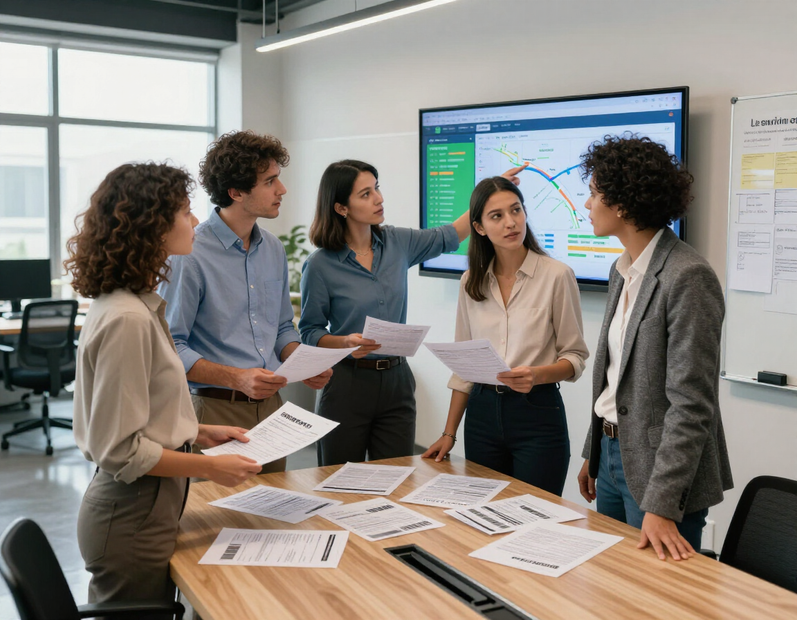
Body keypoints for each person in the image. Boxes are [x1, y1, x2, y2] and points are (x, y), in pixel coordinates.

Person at [66, 163, 262, 608]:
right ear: (151, 225)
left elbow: (139, 412)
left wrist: (197, 433)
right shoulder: (128, 319)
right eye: (186, 212)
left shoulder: (132, 305)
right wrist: (211, 467)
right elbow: (121, 450)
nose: (195, 222)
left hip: (148, 503)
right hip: (133, 511)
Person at [300, 160, 526, 466]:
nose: (379, 198)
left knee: (396, 477)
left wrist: (491, 190)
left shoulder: (396, 242)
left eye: (376, 188)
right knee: (338, 480)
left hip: (397, 382)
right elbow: (310, 331)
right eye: (365, 194)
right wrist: (345, 342)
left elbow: (451, 234)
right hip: (346, 385)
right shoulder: (320, 265)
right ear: (341, 208)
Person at [576, 135, 733, 561]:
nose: (587, 204)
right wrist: (594, 452)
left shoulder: (688, 276)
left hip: (660, 471)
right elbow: (615, 379)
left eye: (593, 193)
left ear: (623, 204)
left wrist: (663, 502)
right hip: (611, 456)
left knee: (655, 601)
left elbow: (692, 404)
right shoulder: (621, 268)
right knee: (612, 588)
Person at [160, 131, 331, 474]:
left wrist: (302, 360)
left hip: (271, 410)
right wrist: (237, 378)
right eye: (270, 181)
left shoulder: (273, 249)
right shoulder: (190, 254)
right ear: (236, 192)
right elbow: (169, 346)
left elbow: (282, 327)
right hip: (213, 410)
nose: (281, 190)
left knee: (271, 515)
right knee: (219, 521)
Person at [422, 177, 589, 495]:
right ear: (479, 227)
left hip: (537, 412)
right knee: (483, 516)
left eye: (516, 210)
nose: (511, 222)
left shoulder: (557, 275)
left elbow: (575, 357)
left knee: (535, 517)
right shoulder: (471, 281)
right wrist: (449, 433)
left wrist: (538, 375)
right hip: (482, 413)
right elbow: (464, 366)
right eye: (497, 216)